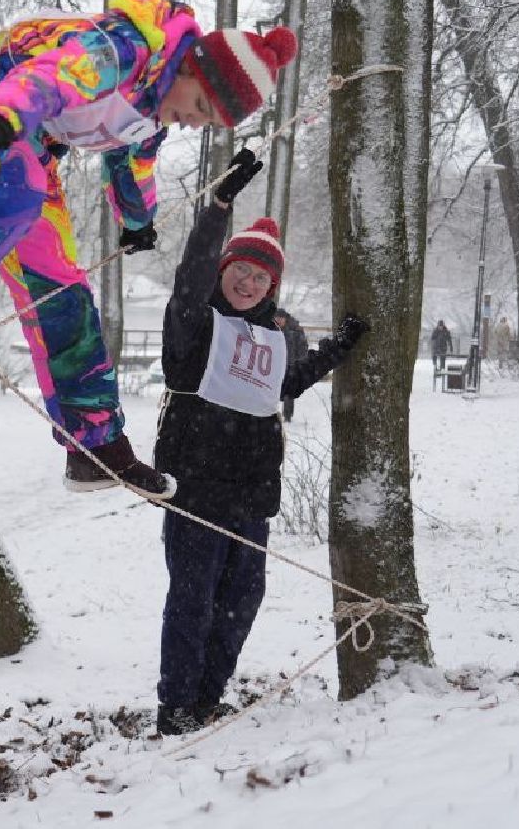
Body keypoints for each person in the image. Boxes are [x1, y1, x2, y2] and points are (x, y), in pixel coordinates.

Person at [0, 0, 299, 500]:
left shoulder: (152, 114)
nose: (194, 122)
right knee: (16, 192)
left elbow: (133, 163)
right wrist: (5, 117)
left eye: (207, 122)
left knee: (61, 287)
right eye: (197, 107)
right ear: (189, 68)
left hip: (27, 139)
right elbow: (55, 75)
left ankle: (95, 448)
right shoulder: (124, 48)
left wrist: (137, 219)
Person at [150, 151, 369, 735]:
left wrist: (337, 349)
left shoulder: (275, 336)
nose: (247, 282)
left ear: (272, 285)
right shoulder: (193, 324)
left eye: (260, 276)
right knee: (193, 604)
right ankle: (175, 707)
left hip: (251, 499)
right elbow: (189, 277)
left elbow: (288, 381)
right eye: (239, 270)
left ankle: (206, 700)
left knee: (240, 604)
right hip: (194, 492)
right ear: (224, 271)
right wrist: (218, 209)